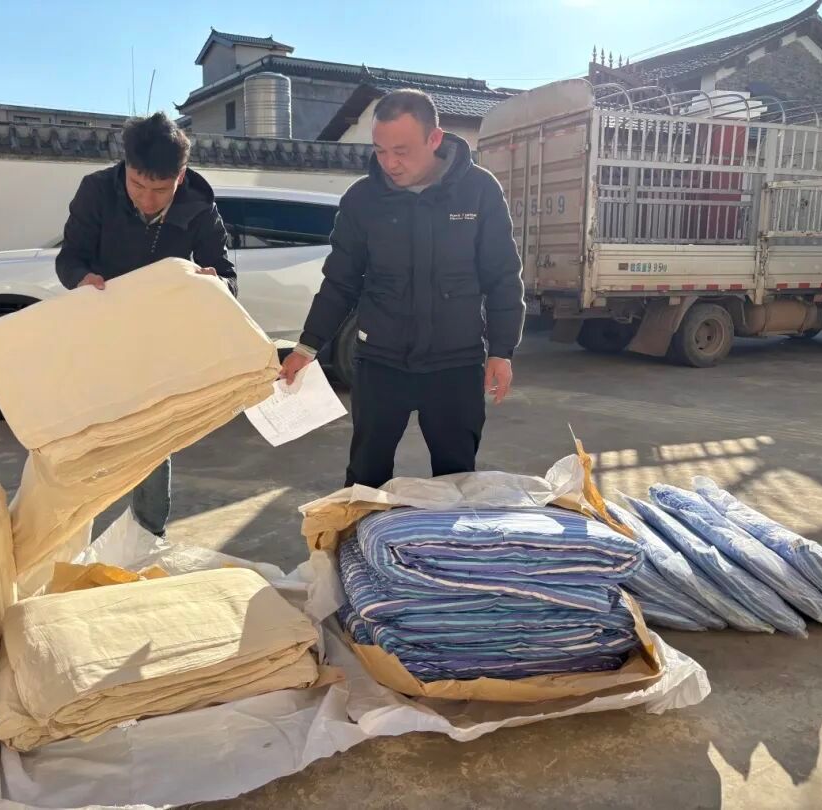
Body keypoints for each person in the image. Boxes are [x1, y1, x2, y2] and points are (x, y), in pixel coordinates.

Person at [280, 89, 524, 489]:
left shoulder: (478, 190)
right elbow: (340, 280)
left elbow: (502, 276)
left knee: (458, 480)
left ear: (434, 139)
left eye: (401, 151)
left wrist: (501, 350)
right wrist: (307, 347)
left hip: (455, 363)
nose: (389, 163)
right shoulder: (363, 199)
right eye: (380, 151)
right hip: (381, 362)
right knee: (366, 477)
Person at [55, 112, 236, 537]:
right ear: (126, 167)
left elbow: (226, 274)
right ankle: (69, 536)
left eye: (161, 190)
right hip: (102, 330)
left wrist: (214, 285)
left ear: (181, 176)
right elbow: (70, 257)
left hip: (160, 342)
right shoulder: (96, 191)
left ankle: (147, 536)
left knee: (153, 441)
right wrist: (81, 278)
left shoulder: (199, 204)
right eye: (137, 185)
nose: (148, 200)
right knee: (89, 438)